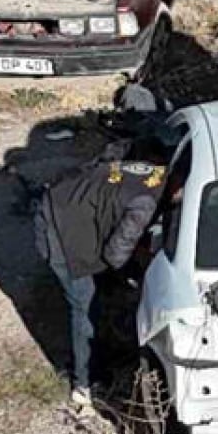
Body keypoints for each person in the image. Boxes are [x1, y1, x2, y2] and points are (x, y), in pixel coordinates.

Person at [34, 160, 181, 406]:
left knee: (101, 293)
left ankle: (99, 355)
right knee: (85, 307)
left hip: (65, 198)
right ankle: (84, 384)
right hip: (59, 230)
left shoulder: (156, 172)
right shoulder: (145, 204)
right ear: (178, 188)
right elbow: (115, 255)